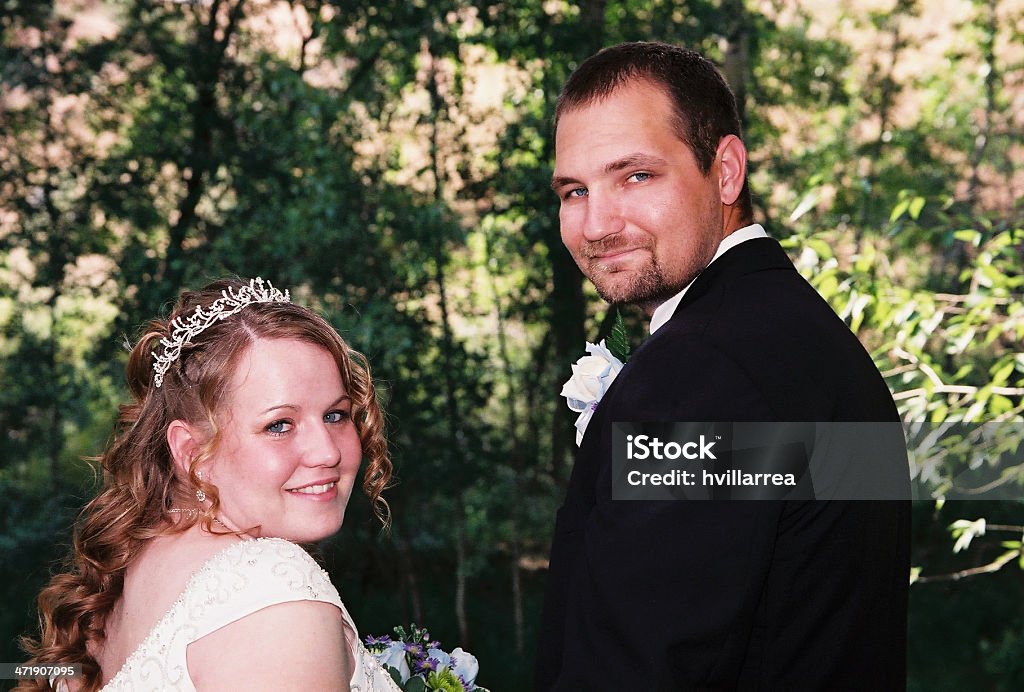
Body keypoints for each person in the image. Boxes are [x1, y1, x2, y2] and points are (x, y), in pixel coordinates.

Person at [536, 42, 910, 690]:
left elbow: (640, 669)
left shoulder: (697, 377)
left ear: (727, 170)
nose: (596, 224)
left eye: (635, 176)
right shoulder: (810, 339)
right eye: (574, 189)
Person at [19, 277, 402, 691]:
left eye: (336, 415)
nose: (327, 452)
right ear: (191, 453)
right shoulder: (273, 591)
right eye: (279, 425)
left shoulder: (124, 580)